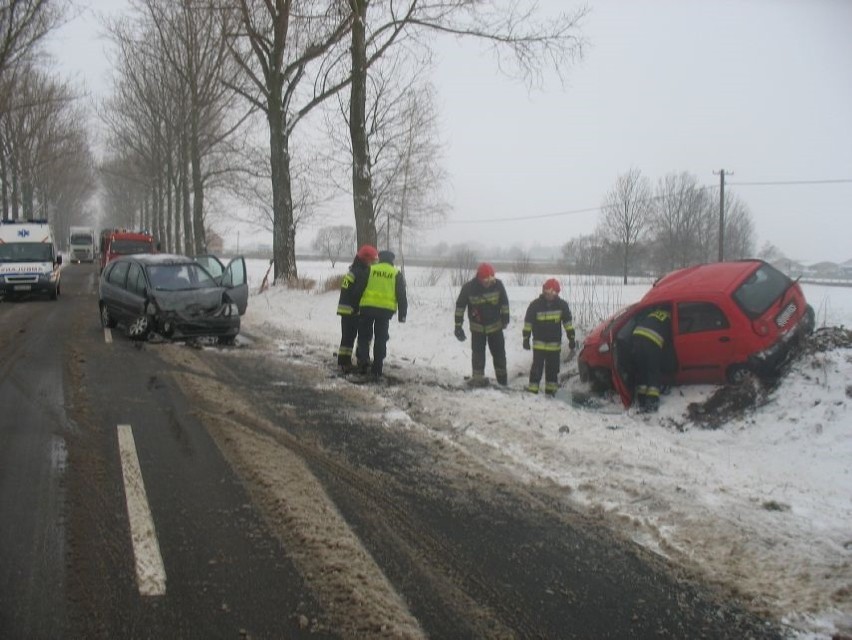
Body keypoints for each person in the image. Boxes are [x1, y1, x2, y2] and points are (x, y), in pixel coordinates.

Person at [454, 262, 510, 386]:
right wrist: (458, 326)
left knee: (500, 355)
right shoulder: (468, 288)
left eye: (491, 279)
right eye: (486, 279)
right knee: (478, 355)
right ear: (479, 278)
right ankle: (478, 380)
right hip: (477, 329)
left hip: (496, 328)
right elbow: (460, 307)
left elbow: (504, 303)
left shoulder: (498, 285)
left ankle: (503, 382)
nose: (489, 282)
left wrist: (505, 319)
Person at [354, 250, 407, 380]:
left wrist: (355, 306)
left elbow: (359, 288)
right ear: (392, 260)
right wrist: (402, 314)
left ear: (379, 258)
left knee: (364, 336)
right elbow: (401, 295)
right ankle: (377, 367)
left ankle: (363, 362)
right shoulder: (396, 273)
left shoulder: (371, 269)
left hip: (367, 308)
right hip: (385, 312)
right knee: (381, 338)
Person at [522, 278, 576, 396]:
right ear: (543, 291)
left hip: (554, 346)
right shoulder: (535, 305)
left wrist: (571, 338)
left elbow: (568, 323)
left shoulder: (562, 305)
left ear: (557, 293)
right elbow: (528, 323)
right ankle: (532, 391)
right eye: (547, 292)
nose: (550, 295)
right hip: (539, 344)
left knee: (552, 370)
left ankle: (551, 392)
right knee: (536, 368)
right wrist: (526, 338)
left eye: (553, 293)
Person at [336, 244, 378, 372]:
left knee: (348, 336)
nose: (374, 262)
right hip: (352, 309)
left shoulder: (354, 270)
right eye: (373, 259)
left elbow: (347, 290)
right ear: (366, 259)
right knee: (354, 336)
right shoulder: (362, 272)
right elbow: (357, 293)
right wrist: (359, 307)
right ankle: (348, 362)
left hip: (345, 308)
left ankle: (345, 361)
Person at [631, 306, 672, 412]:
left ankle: (641, 400)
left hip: (637, 336)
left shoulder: (654, 313)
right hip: (652, 341)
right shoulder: (669, 318)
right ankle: (652, 401)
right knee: (653, 369)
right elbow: (668, 342)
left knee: (642, 369)